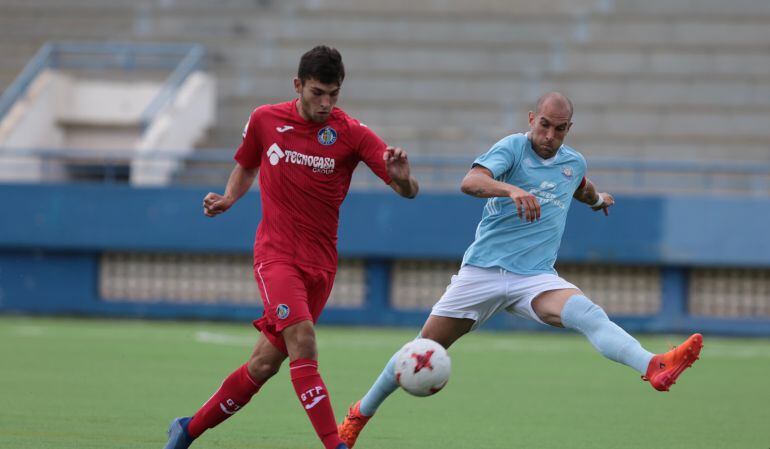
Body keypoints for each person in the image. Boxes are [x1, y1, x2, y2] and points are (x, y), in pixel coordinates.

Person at [337, 92, 703, 448]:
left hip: (535, 277)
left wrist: (597, 200)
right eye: (544, 125)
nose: (549, 136)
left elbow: (578, 185)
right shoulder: (512, 148)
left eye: (559, 129)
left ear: (568, 129)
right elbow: (470, 182)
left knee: (586, 312)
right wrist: (510, 190)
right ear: (532, 119)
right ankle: (359, 415)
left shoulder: (573, 162)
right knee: (418, 350)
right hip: (482, 272)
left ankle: (653, 365)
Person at [162, 45, 419, 449]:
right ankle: (335, 444)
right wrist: (230, 197)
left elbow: (407, 192)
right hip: (276, 256)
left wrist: (403, 179)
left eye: (334, 94)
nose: (326, 103)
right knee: (304, 339)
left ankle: (187, 429)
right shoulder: (266, 120)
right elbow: (247, 164)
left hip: (321, 267)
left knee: (263, 365)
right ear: (297, 85)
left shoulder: (351, 133)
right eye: (318, 92)